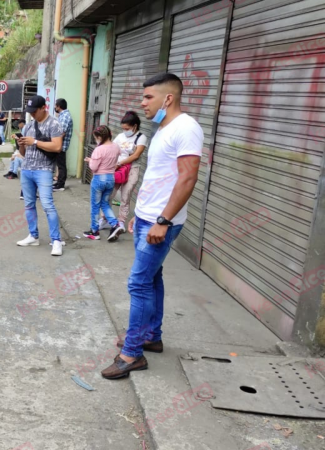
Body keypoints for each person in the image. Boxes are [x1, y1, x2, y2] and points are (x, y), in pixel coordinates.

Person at [101, 73, 203, 380]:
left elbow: (187, 178)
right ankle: (151, 336)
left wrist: (162, 220)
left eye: (148, 97)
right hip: (148, 217)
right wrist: (140, 213)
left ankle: (132, 354)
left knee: (138, 282)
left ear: (167, 98)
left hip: (162, 221)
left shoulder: (186, 128)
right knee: (152, 277)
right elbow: (159, 175)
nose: (142, 103)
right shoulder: (163, 128)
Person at [14, 95, 66, 256]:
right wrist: (22, 144)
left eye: (34, 111)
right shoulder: (28, 126)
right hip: (27, 169)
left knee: (47, 205)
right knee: (29, 204)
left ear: (44, 107)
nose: (31, 115)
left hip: (44, 170)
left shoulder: (54, 124)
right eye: (29, 112)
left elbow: (57, 147)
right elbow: (24, 152)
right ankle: (33, 235)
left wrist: (35, 142)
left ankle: (56, 240)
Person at [82, 126, 125, 241]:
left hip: (99, 179)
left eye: (96, 137)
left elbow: (94, 167)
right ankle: (115, 224)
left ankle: (94, 231)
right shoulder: (115, 147)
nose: (96, 140)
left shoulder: (99, 150)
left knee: (95, 205)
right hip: (111, 179)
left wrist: (91, 160)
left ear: (100, 137)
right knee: (105, 203)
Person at [111, 111, 148, 229]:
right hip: (116, 169)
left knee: (125, 197)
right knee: (109, 194)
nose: (124, 131)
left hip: (132, 169)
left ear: (135, 126)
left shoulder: (141, 138)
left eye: (127, 128)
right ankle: (106, 218)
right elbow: (112, 149)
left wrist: (120, 163)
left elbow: (136, 155)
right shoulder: (120, 136)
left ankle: (121, 221)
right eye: (123, 128)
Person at [52, 99, 72, 191]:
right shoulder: (62, 115)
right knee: (60, 164)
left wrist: (56, 143)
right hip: (59, 144)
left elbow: (61, 132)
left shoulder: (65, 116)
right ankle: (59, 183)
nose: (55, 107)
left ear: (59, 106)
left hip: (61, 145)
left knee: (61, 165)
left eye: (55, 105)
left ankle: (61, 185)